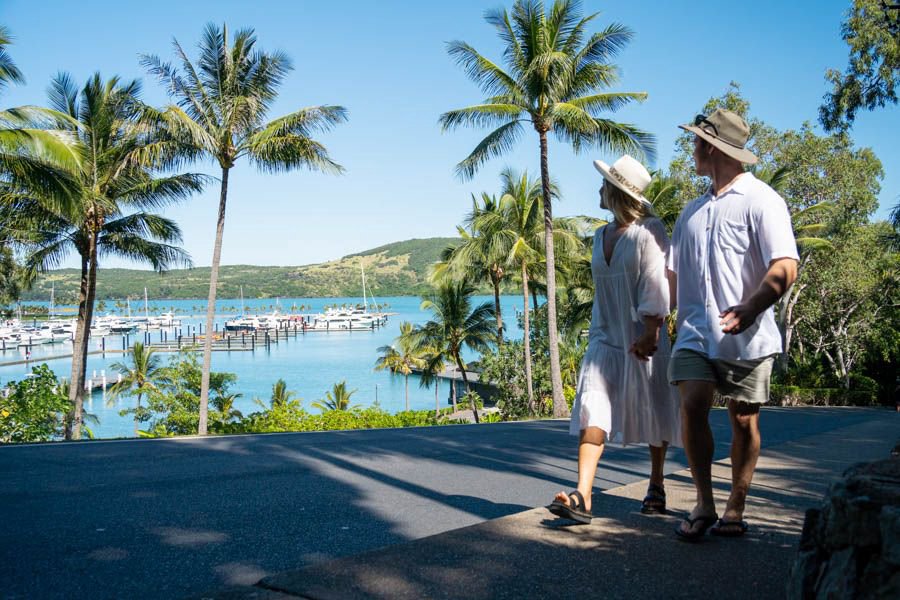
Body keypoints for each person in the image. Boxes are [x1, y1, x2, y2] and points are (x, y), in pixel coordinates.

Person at [667, 109, 799, 541]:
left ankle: (735, 506)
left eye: (696, 141)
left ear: (711, 147)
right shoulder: (691, 212)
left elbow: (785, 265)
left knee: (743, 420)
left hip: (749, 337)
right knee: (692, 405)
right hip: (695, 334)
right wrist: (649, 323)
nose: (692, 148)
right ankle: (704, 502)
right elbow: (671, 277)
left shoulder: (763, 200)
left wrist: (753, 306)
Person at [548, 155, 682, 524]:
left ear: (616, 191)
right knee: (592, 405)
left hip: (642, 336)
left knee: (656, 408)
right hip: (604, 337)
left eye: (604, 183)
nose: (598, 188)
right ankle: (583, 495)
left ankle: (656, 483)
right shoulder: (599, 235)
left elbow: (657, 282)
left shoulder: (650, 230)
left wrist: (652, 330)